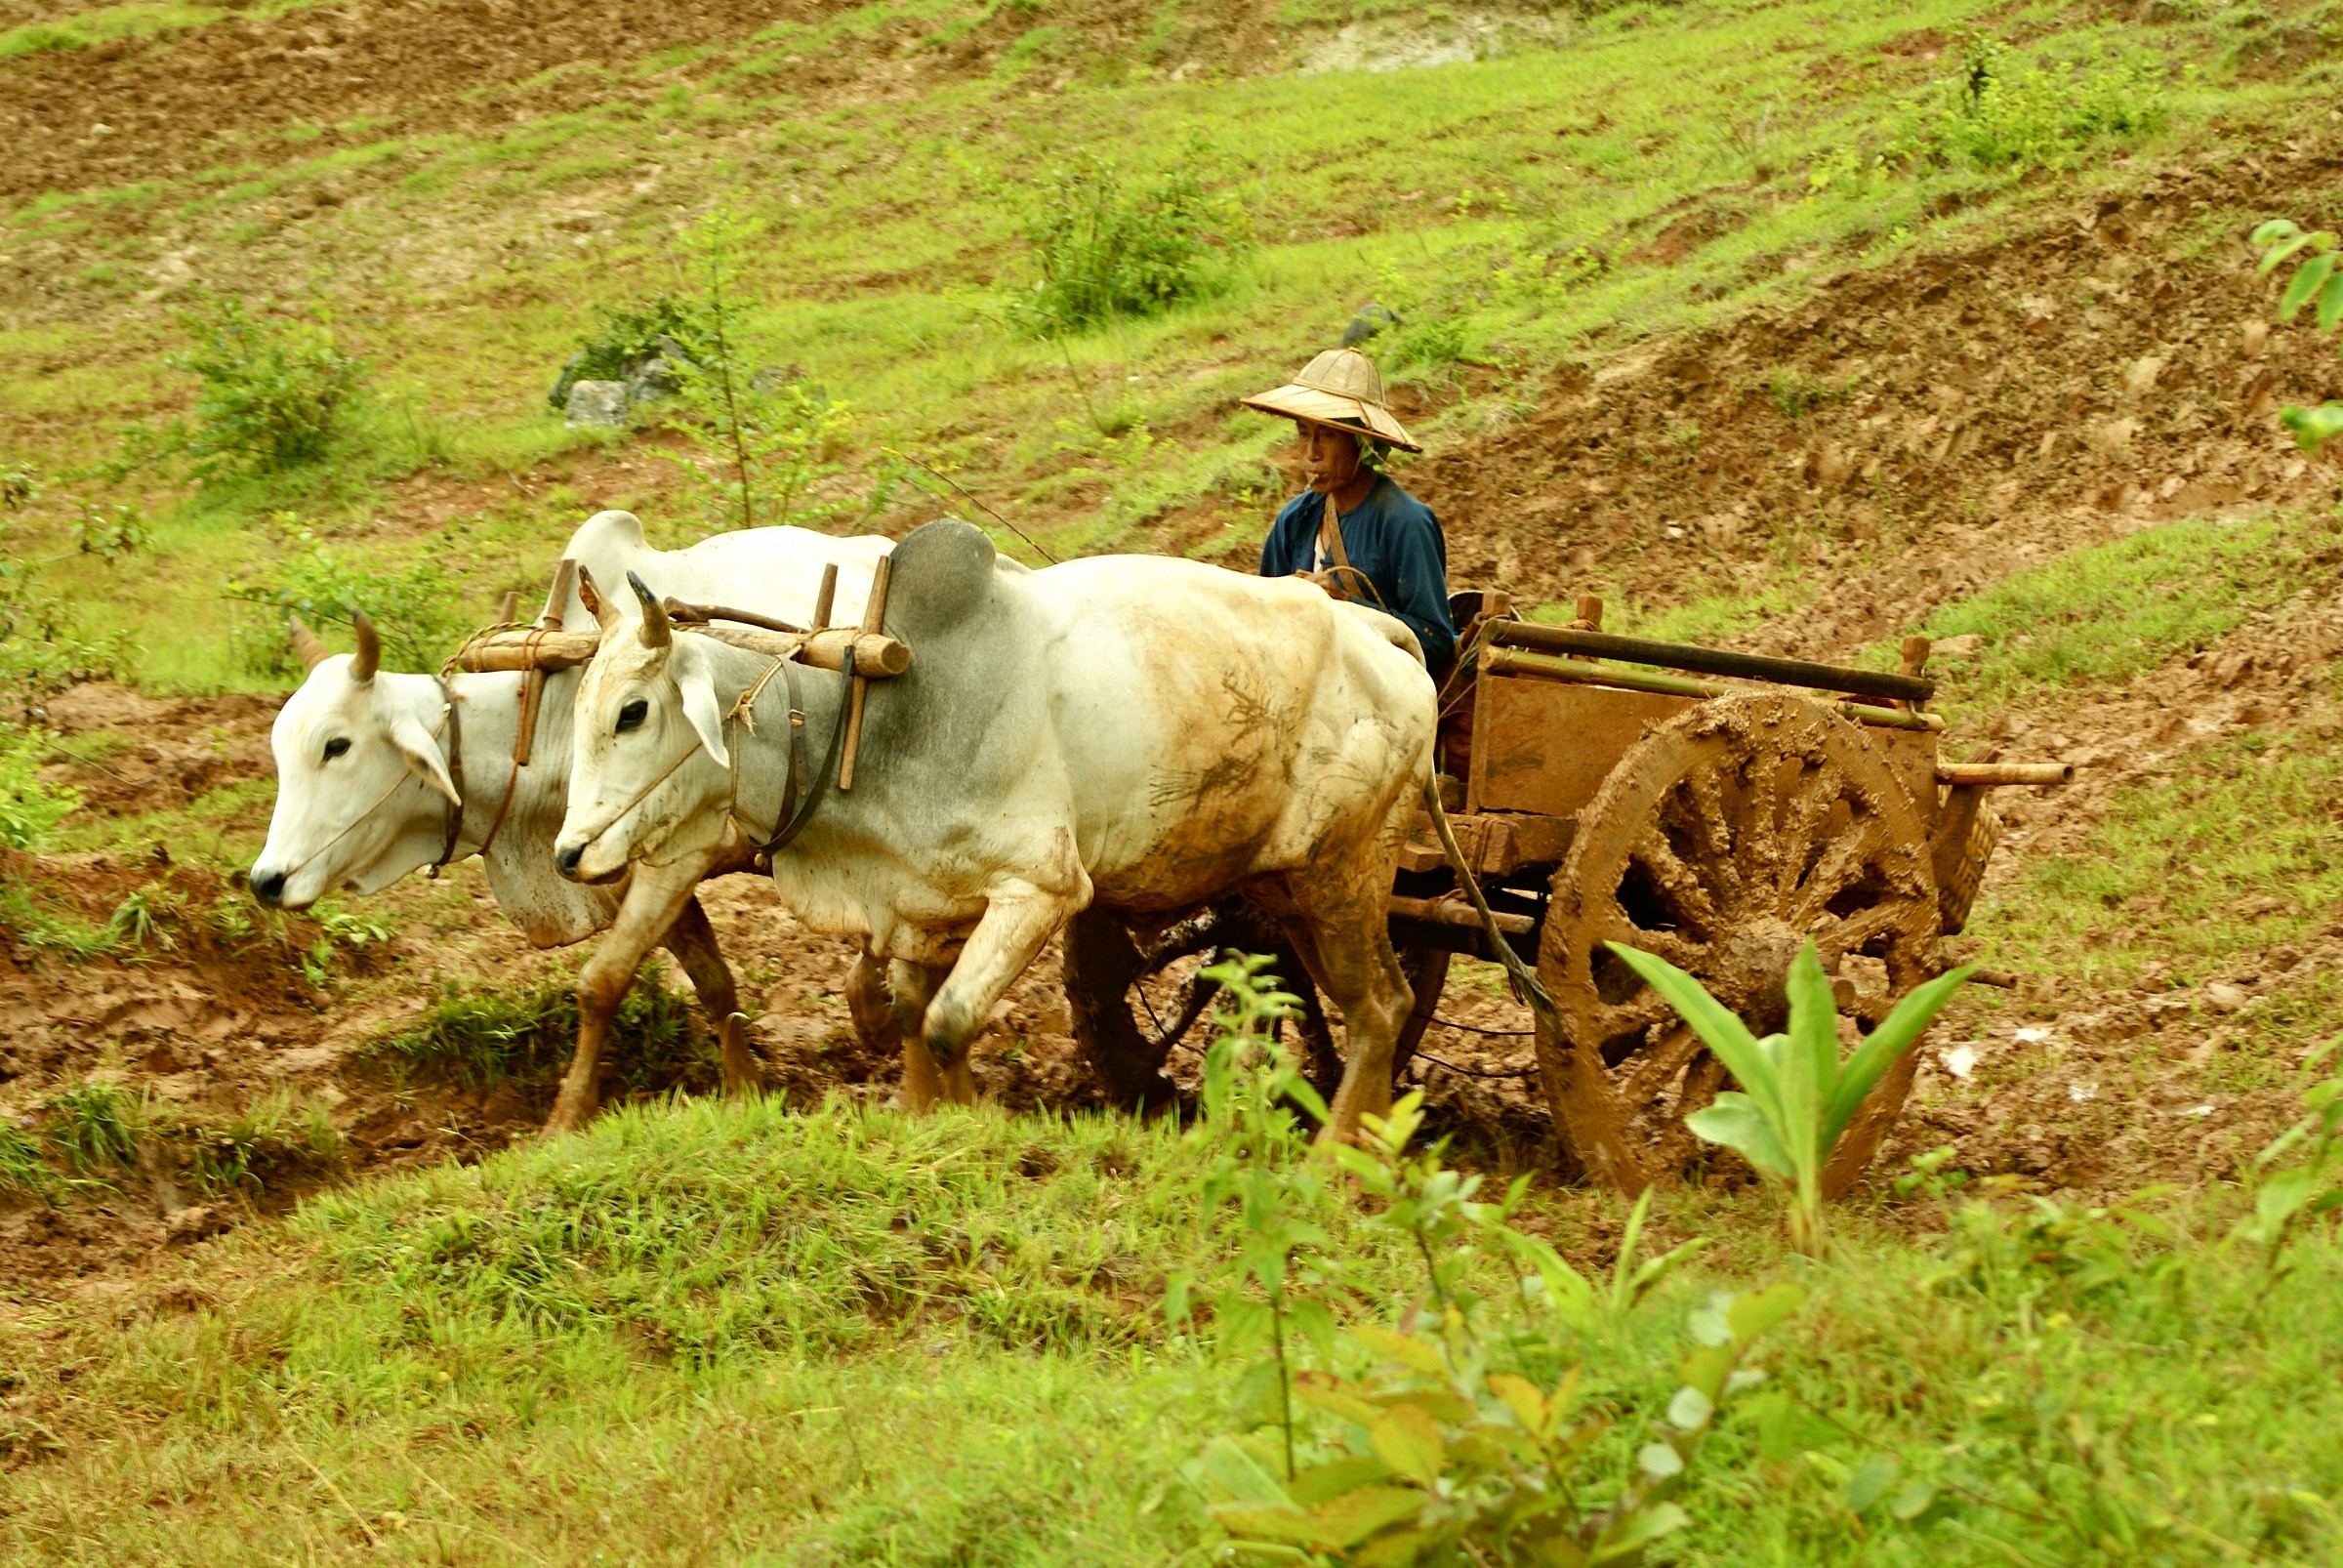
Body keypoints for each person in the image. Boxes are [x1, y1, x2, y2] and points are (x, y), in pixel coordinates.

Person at [1243, 348, 1457, 681]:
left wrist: (1343, 604)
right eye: (1304, 434)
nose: (1311, 454)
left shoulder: (1404, 522)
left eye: (1327, 436)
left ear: (1361, 443)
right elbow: (1259, 616)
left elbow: (1436, 641)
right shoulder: (1295, 519)